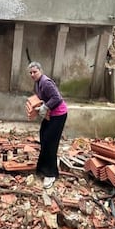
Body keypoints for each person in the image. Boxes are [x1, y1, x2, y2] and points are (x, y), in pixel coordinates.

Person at [28, 61, 68, 189]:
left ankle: (51, 174)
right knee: (44, 137)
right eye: (31, 73)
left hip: (59, 115)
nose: (33, 74)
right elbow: (41, 97)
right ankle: (42, 168)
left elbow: (57, 98)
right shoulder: (38, 83)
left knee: (51, 142)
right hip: (50, 115)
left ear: (41, 71)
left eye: (35, 72)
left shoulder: (46, 82)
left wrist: (45, 107)